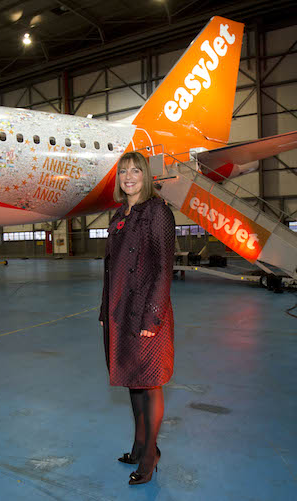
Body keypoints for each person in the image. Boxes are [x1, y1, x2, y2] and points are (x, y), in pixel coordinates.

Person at [99, 151, 175, 485]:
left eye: (135, 171)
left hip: (146, 311)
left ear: (146, 176)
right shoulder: (119, 215)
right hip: (120, 311)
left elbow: (163, 266)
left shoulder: (157, 211)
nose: (129, 177)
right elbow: (110, 268)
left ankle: (149, 455)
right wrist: (104, 310)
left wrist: (153, 316)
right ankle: (138, 444)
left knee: (150, 382)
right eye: (123, 171)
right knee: (133, 381)